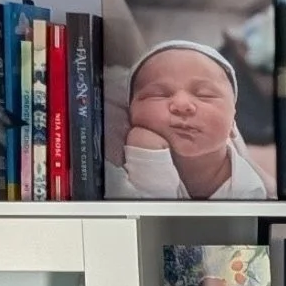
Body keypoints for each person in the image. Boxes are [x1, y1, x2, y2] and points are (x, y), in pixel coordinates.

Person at [108, 40, 269, 199]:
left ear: (233, 121)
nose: (182, 105)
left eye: (204, 95)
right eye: (159, 95)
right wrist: (148, 156)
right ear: (130, 110)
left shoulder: (248, 190)